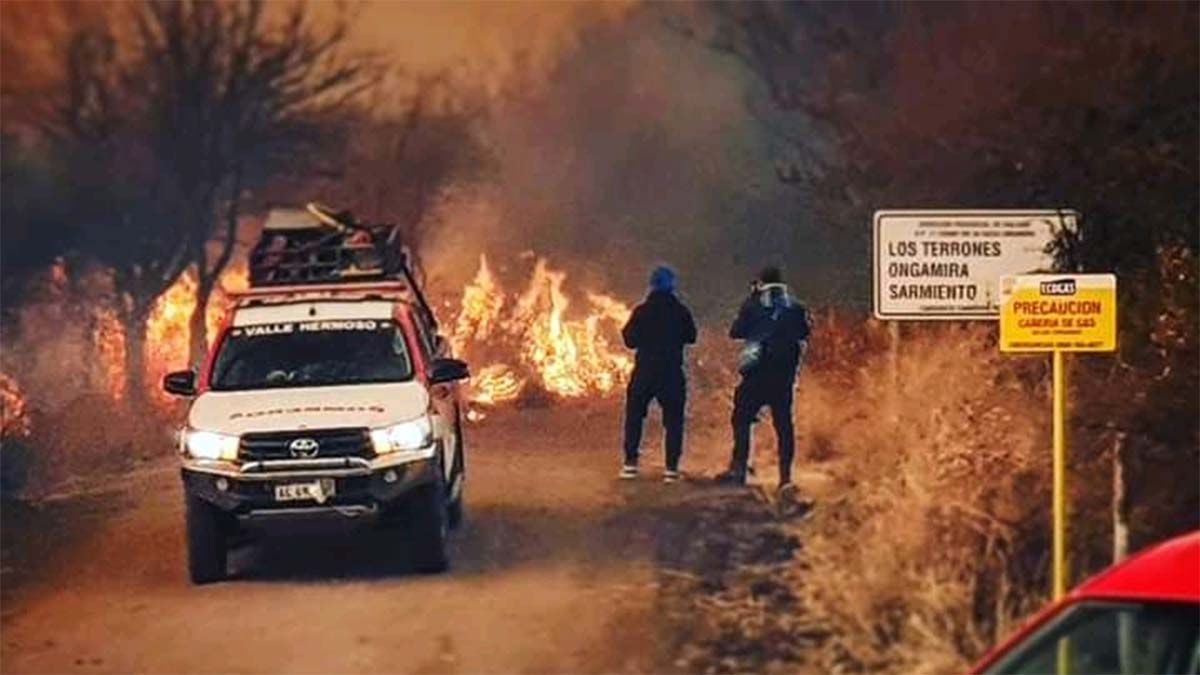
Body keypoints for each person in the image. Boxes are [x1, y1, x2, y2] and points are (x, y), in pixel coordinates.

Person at [716, 266, 811, 496]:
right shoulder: (795, 307)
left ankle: (739, 470)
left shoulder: (753, 305)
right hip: (784, 377)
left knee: (742, 419)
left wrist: (753, 303)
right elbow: (804, 333)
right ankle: (785, 478)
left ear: (760, 283)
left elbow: (736, 331)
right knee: (783, 425)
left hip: (756, 375)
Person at [620, 265, 698, 483]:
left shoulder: (641, 311)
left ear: (652, 286)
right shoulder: (680, 311)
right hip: (671, 372)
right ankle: (671, 469)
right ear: (672, 286)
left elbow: (629, 340)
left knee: (635, 417)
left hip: (644, 372)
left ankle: (630, 465)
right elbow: (691, 337)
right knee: (673, 421)